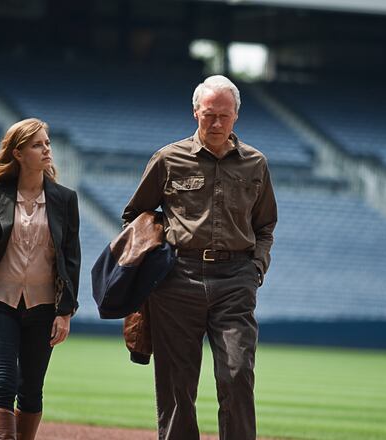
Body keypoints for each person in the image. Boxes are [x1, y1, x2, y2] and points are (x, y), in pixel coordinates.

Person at [122, 75, 277, 440]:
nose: (217, 123)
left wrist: (256, 268)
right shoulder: (168, 158)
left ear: (236, 115)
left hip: (236, 279)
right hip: (178, 279)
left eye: (224, 115)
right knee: (177, 385)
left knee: (238, 375)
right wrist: (154, 263)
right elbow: (134, 216)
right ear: (196, 112)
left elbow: (266, 225)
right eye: (209, 114)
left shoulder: (256, 164)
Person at [0, 118, 81, 440]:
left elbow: (71, 260)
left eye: (47, 143)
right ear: (19, 153)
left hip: (43, 307)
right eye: (38, 145)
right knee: (1, 386)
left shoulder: (65, 200)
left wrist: (65, 312)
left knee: (31, 392)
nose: (46, 149)